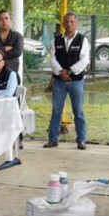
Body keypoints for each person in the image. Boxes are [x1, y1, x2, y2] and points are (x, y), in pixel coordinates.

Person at [44, 12, 90, 150]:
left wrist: (69, 71)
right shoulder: (56, 40)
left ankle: (81, 140)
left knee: (78, 111)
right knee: (56, 111)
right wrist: (60, 72)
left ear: (77, 23)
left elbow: (84, 60)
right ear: (63, 23)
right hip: (59, 81)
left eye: (72, 22)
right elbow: (52, 58)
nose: (69, 24)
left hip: (76, 81)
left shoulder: (83, 40)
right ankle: (53, 139)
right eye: (67, 22)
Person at [0, 10, 24, 75]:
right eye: (1, 19)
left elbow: (18, 52)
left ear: (10, 20)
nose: (4, 21)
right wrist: (4, 48)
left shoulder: (17, 36)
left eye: (6, 18)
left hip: (11, 73)